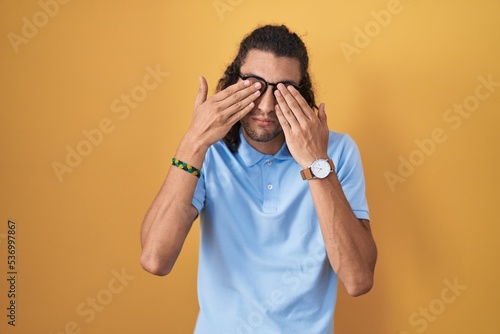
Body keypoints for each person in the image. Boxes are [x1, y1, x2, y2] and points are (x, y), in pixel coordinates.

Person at [140, 24, 377, 334]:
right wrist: (193, 142)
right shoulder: (208, 151)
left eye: (282, 90)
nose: (266, 106)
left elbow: (358, 279)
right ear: (232, 84)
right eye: (254, 85)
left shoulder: (337, 152)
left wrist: (315, 162)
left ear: (301, 94)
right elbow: (155, 259)